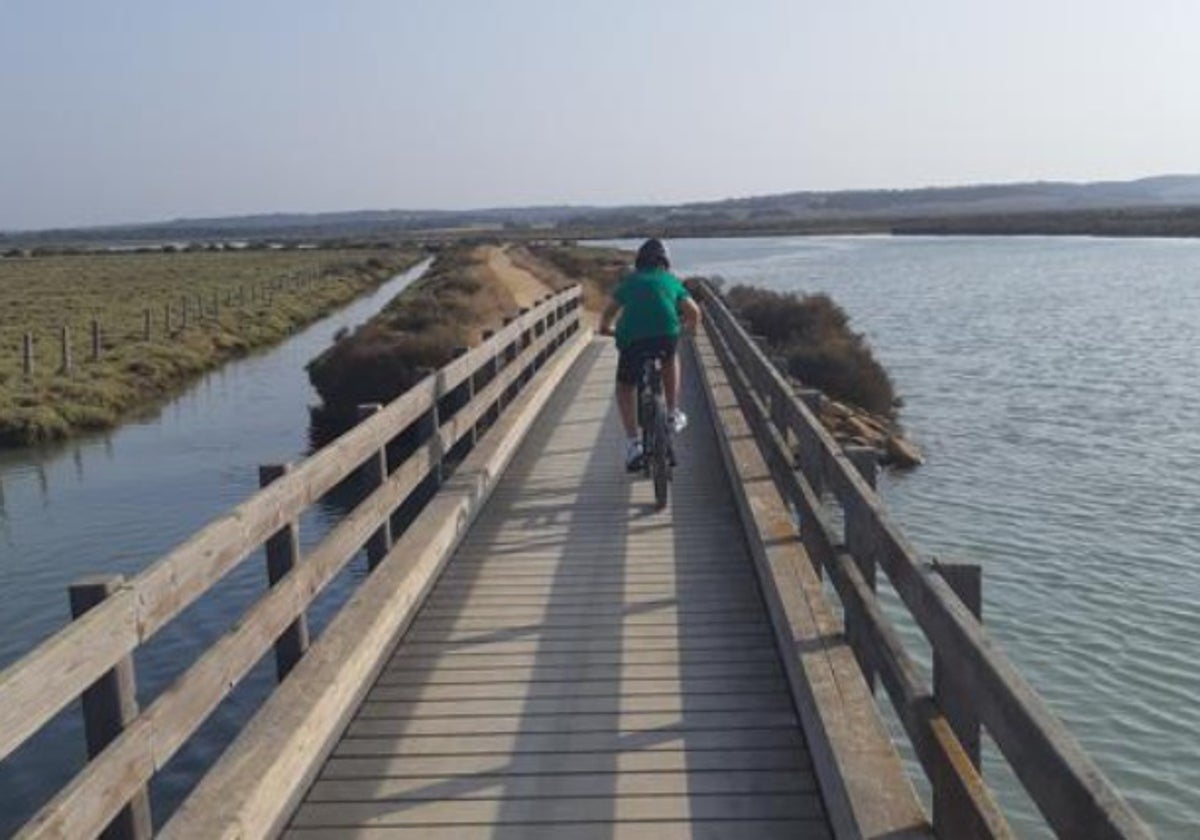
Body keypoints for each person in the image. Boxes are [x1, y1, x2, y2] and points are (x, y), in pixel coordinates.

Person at [599, 238, 702, 470]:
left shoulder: (630, 281)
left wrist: (605, 329)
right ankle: (673, 412)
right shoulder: (670, 281)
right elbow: (694, 311)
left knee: (625, 387)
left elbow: (609, 312)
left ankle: (633, 444)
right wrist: (691, 331)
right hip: (666, 335)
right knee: (669, 358)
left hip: (632, 338)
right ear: (665, 262)